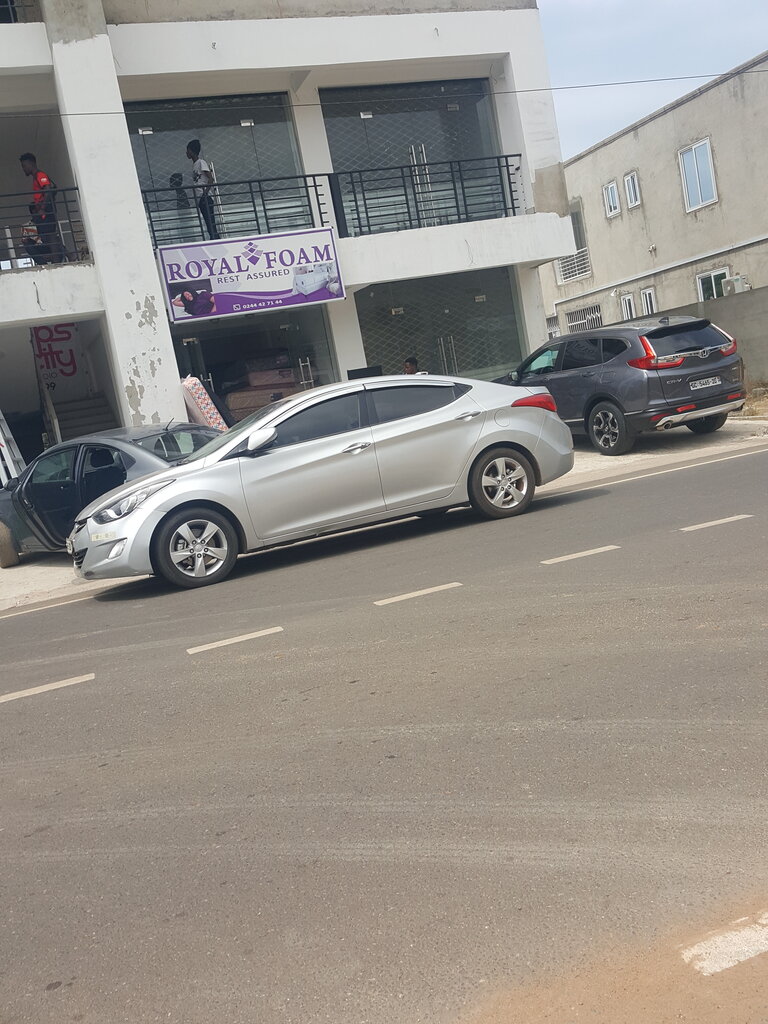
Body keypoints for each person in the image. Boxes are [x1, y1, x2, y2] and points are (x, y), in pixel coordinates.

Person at [19, 152, 63, 265]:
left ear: (31, 163)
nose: (23, 169)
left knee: (50, 236)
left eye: (24, 166)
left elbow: (47, 189)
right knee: (46, 236)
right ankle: (63, 257)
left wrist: (42, 208)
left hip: (46, 211)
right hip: (44, 211)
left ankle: (57, 261)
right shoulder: (36, 177)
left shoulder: (40, 175)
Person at [185, 139, 219, 240]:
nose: (186, 153)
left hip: (205, 197)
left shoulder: (201, 162)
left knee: (210, 222)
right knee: (208, 223)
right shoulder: (195, 165)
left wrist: (205, 193)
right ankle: (214, 239)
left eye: (188, 151)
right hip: (201, 198)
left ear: (192, 151)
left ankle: (215, 239)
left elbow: (210, 178)